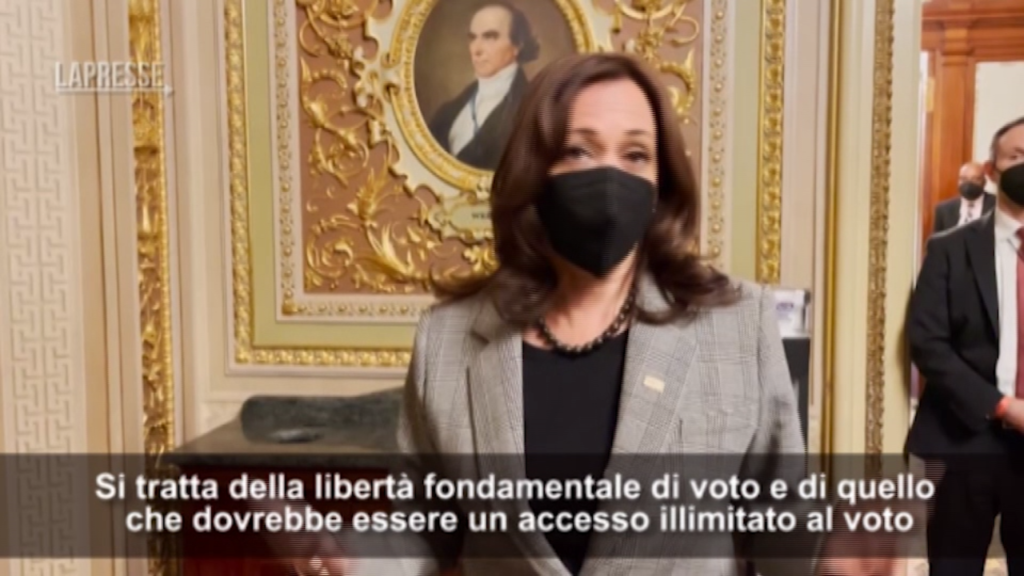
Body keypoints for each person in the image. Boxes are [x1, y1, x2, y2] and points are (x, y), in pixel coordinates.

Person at [261, 53, 904, 576]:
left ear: (661, 182)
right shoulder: (447, 338)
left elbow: (777, 515)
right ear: (533, 170)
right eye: (578, 150)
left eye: (635, 155)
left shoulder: (739, 324)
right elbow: (426, 526)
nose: (609, 177)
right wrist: (350, 559)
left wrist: (831, 554)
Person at [907, 115, 1024, 576]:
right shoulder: (949, 248)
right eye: (1016, 156)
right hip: (964, 438)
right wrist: (1002, 406)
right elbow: (927, 343)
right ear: (992, 170)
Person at [427, 2, 536, 171]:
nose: (476, 50)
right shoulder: (449, 110)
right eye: (472, 38)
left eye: (490, 37)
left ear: (517, 45)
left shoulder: (533, 109)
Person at [932, 161, 996, 234]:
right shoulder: (943, 209)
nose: (969, 183)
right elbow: (938, 239)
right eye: (963, 179)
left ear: (984, 182)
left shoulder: (997, 205)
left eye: (975, 179)